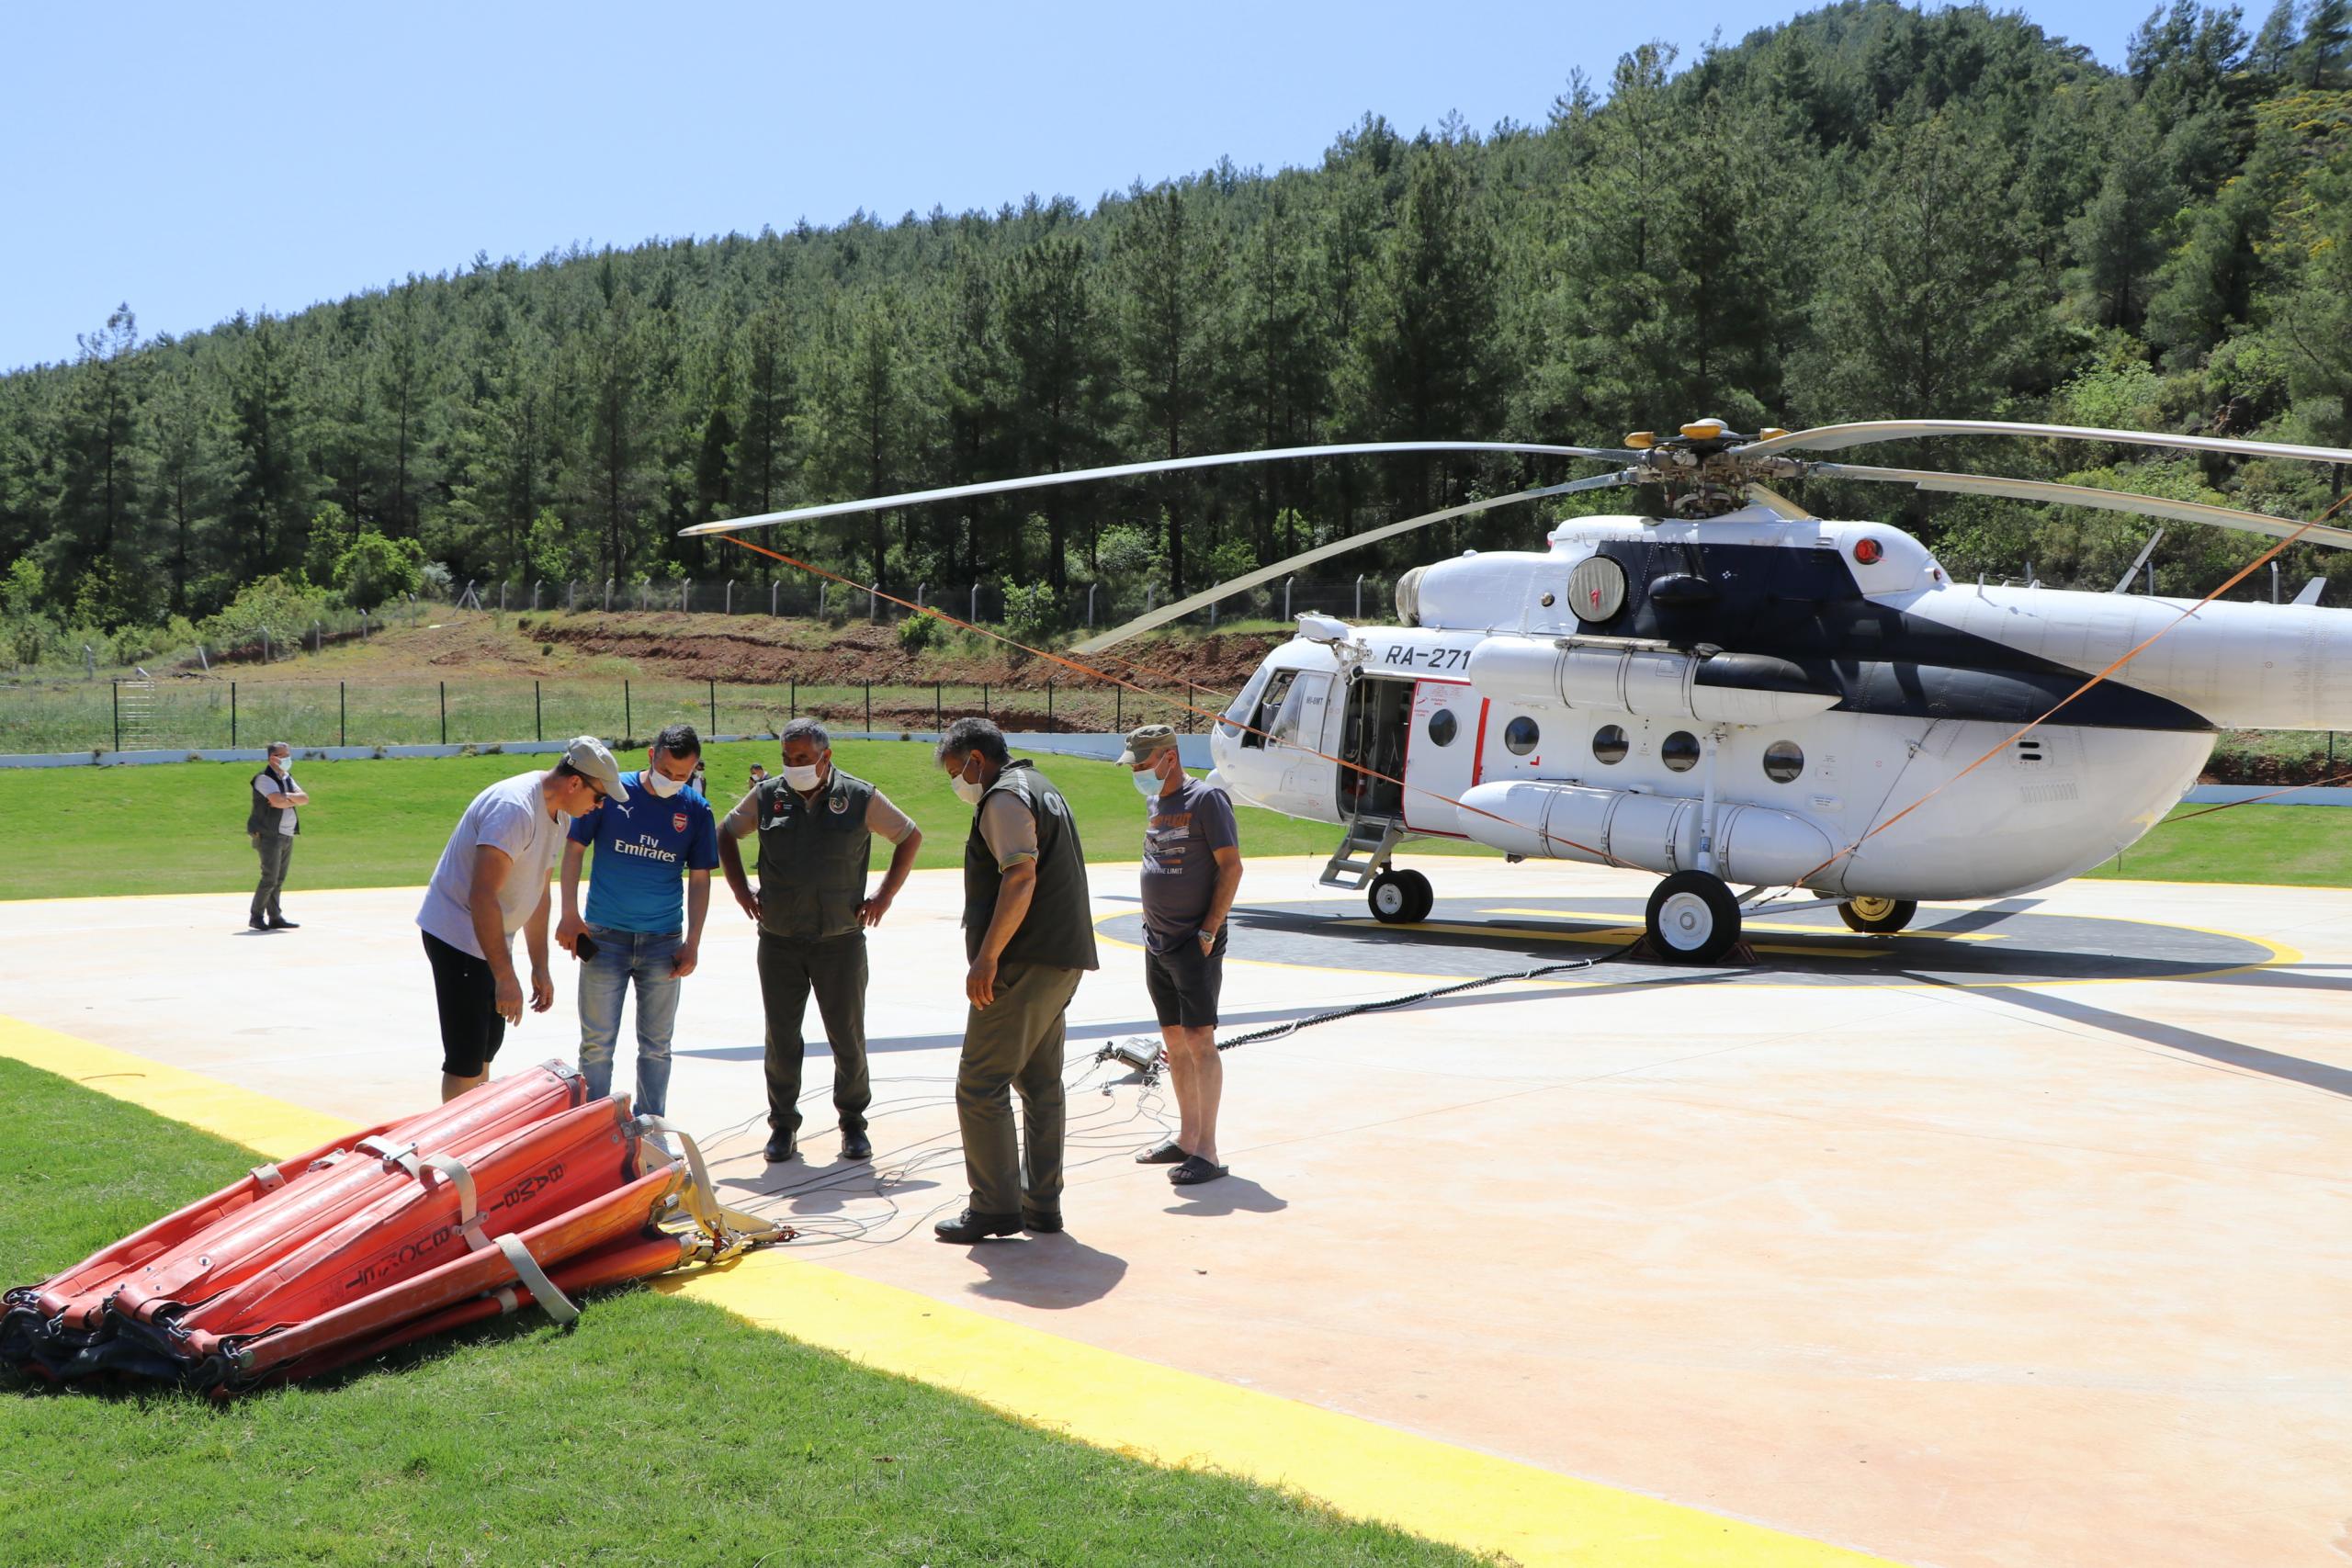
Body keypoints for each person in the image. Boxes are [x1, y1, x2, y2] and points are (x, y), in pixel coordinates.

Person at [718, 717, 922, 1164]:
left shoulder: (859, 796)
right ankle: (783, 1126)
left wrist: (883, 896)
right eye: (788, 759)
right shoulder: (768, 796)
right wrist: (740, 891)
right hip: (779, 941)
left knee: (847, 1037)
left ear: (826, 757)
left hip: (840, 942)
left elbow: (910, 835)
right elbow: (726, 833)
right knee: (782, 1038)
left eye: (803, 759)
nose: (794, 766)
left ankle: (852, 1124)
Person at [932, 716, 1098, 1243]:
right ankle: (1041, 1205)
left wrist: (986, 958)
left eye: (958, 771)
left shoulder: (1004, 798)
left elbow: (1020, 876)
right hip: (1061, 958)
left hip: (1023, 963)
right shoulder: (1042, 787)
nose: (958, 782)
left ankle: (996, 1208)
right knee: (1040, 1083)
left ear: (977, 761)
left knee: (980, 1084)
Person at [416, 737, 625, 1102]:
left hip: (489, 935)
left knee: (486, 1049)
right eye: (599, 796)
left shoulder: (558, 815)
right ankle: (453, 1147)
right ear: (575, 782)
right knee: (465, 1057)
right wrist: (504, 975)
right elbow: (481, 895)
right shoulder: (514, 809)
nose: (599, 806)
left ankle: (474, 1135)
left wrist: (539, 967)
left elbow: (538, 893)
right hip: (458, 934)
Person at [555, 723, 718, 1119]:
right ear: (651, 755)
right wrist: (570, 913)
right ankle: (592, 1128)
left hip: (663, 942)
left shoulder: (696, 810)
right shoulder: (612, 794)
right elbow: (574, 849)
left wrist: (693, 940)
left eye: (684, 775)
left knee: (658, 1045)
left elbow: (700, 879)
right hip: (605, 937)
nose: (674, 781)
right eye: (667, 772)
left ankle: (652, 1125)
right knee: (596, 1043)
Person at [1121, 724, 1243, 1186]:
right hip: (1158, 939)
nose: (1137, 773)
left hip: (1196, 941)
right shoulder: (1156, 802)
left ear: (1169, 757)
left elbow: (1231, 866)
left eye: (1142, 764)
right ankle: (1186, 1138)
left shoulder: (1206, 800)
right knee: (1173, 1042)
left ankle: (1207, 1151)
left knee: (1199, 1041)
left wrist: (1209, 929)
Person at [246, 741, 308, 931]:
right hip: (269, 834)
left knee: (279, 879)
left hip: (286, 833)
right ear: (272, 758)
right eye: (283, 755)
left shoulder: (287, 777)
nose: (287, 759)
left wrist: (285, 797)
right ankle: (256, 916)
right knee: (269, 878)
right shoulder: (264, 778)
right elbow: (276, 801)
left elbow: (304, 798)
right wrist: (289, 799)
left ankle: (275, 917)